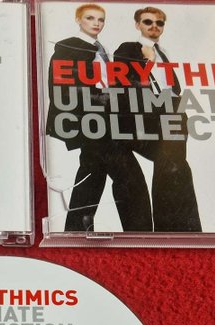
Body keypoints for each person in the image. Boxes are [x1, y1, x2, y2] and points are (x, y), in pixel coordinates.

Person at [46, 4, 153, 232]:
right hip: (93, 121)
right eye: (90, 18)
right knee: (129, 178)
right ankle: (139, 233)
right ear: (78, 20)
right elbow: (60, 87)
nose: (96, 23)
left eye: (101, 19)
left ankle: (75, 231)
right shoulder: (68, 47)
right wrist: (98, 99)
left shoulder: (102, 49)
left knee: (91, 176)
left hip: (106, 121)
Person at [114, 6, 202, 231]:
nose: (154, 26)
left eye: (159, 23)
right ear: (138, 25)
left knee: (177, 167)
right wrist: (148, 62)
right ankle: (171, 230)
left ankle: (185, 230)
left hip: (173, 111)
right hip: (148, 113)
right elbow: (125, 80)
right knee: (170, 165)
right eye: (148, 22)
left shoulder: (164, 52)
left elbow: (172, 86)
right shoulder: (128, 48)